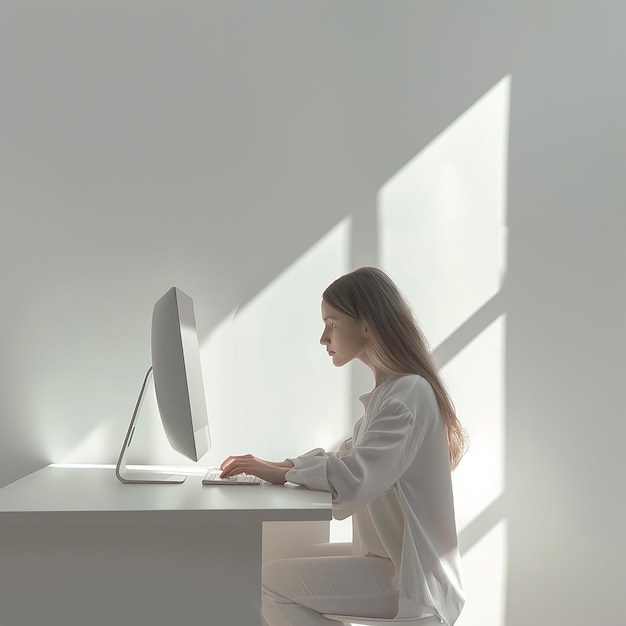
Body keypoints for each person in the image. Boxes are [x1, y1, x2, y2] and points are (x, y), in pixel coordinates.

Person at [220, 267, 467, 626]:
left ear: (367, 324)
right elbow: (349, 455)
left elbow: (354, 479)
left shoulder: (406, 395)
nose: (323, 337)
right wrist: (281, 464)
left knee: (268, 583)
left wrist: (285, 471)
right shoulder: (392, 393)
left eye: (331, 323)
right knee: (279, 560)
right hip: (390, 560)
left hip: (410, 579)